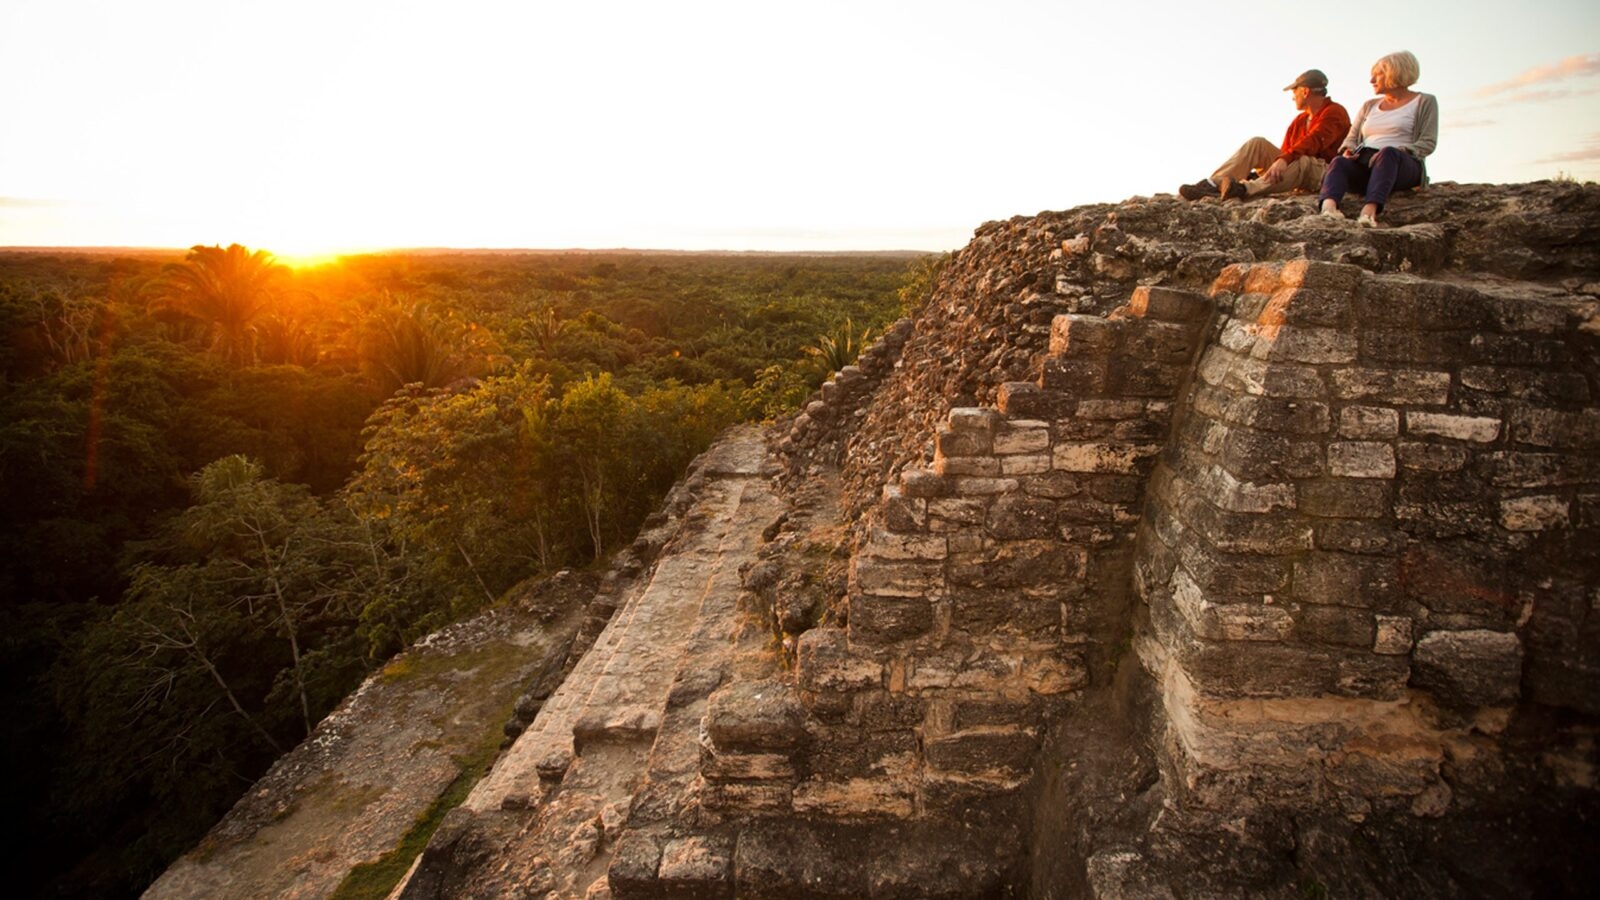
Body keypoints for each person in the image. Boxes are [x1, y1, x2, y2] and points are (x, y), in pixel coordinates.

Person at [1179, 69, 1350, 202]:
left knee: (1301, 160)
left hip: (1321, 172)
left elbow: (1315, 141)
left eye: (1294, 91)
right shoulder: (1299, 120)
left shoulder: (1335, 112)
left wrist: (1284, 160)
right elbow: (1286, 150)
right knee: (1257, 143)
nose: (1292, 97)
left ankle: (1244, 189)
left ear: (1305, 91)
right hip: (1296, 167)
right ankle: (1212, 184)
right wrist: (1280, 161)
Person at [1318, 51, 1438, 226]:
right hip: (1367, 163)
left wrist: (1399, 151)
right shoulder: (1369, 105)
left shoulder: (1424, 101)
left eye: (1377, 75)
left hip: (1402, 164)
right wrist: (1348, 150)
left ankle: (1369, 212)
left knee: (1387, 153)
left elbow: (1428, 142)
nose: (1371, 81)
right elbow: (1351, 138)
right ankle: (1328, 209)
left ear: (1395, 72)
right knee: (1338, 162)